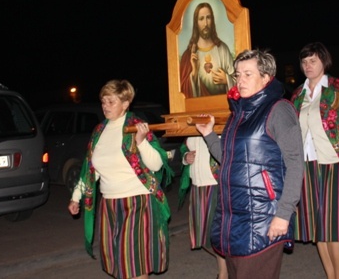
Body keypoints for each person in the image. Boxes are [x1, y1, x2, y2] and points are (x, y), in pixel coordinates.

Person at [195, 49, 304, 279]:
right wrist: (209, 135)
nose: (240, 80)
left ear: (266, 78)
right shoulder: (239, 114)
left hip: (264, 219)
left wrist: (283, 215)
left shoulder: (279, 109)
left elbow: (295, 164)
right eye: (237, 75)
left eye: (247, 74)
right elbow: (228, 159)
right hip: (235, 221)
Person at [67, 79, 173, 279]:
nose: (105, 106)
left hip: (137, 203)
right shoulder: (99, 131)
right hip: (109, 205)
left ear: (125, 103)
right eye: (103, 101)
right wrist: (76, 196)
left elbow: (157, 164)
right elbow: (90, 169)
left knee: (135, 263)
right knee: (116, 262)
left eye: (111, 102)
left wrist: (141, 142)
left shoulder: (135, 127)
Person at [289, 42, 339, 279]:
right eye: (304, 61)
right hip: (306, 166)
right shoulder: (297, 95)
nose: (308, 65)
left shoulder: (338, 88)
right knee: (317, 229)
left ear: (324, 61)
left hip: (334, 163)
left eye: (313, 60)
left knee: (334, 228)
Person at [177, 136, 227, 279]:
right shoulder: (191, 128)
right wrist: (186, 157)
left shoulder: (220, 124)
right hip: (198, 187)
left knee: (216, 235)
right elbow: (184, 148)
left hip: (216, 185)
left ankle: (224, 273)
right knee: (202, 236)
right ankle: (231, 266)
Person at [180, 2, 236, 98]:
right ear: (196, 23)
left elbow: (238, 81)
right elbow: (182, 92)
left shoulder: (222, 49)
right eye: (201, 19)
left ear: (212, 20)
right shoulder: (189, 55)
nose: (205, 23)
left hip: (222, 106)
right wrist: (194, 73)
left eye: (208, 17)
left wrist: (227, 80)